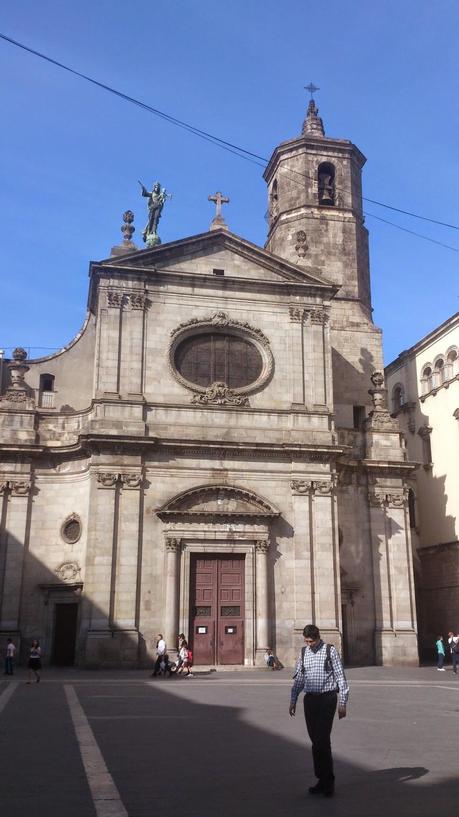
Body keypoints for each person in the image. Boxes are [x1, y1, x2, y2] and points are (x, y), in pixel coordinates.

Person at [289, 624, 349, 798]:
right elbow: (299, 679)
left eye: (311, 641)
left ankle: (328, 782)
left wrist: (343, 703)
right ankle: (321, 779)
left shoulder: (330, 651)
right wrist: (293, 700)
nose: (309, 644)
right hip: (310, 700)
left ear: (318, 637)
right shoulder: (303, 653)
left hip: (327, 698)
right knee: (315, 741)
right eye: (306, 641)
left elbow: (340, 677)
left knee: (322, 739)